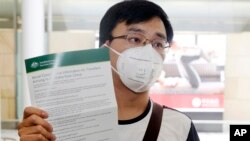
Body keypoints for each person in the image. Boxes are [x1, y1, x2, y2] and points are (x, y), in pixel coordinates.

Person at [18, 1, 200, 141]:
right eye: (135, 39)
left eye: (158, 44)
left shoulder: (180, 126)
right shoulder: (57, 124)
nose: (148, 51)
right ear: (105, 46)